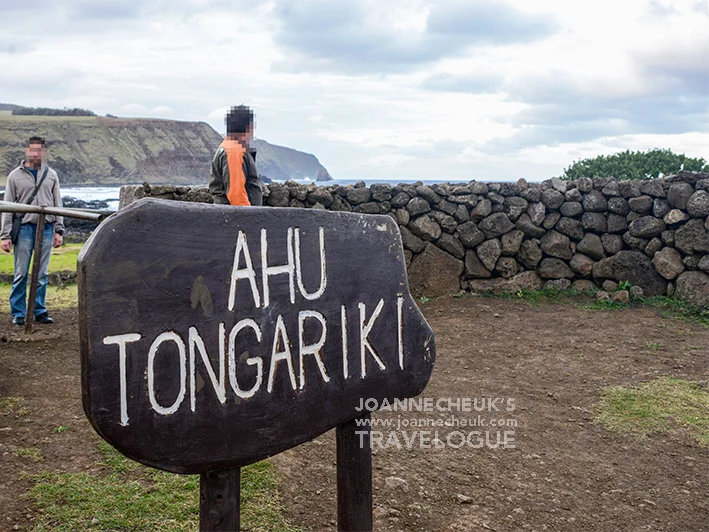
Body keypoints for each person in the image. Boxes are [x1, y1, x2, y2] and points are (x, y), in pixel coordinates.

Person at [0, 136, 64, 326]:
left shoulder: (51, 174)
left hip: (47, 228)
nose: (36, 153)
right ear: (27, 151)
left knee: (42, 274)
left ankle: (39, 310)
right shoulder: (14, 176)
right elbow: (8, 206)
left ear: (43, 152)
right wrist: (5, 235)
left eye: (40, 150)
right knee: (21, 273)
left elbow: (57, 202)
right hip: (25, 228)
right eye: (33, 150)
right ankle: (19, 313)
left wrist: (59, 230)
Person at [209, 105, 263, 206]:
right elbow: (236, 194)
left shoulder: (231, 146)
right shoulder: (234, 151)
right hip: (235, 218)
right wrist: (250, 217)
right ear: (249, 128)